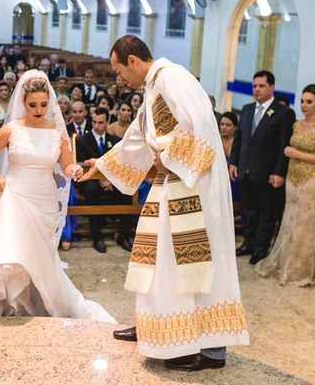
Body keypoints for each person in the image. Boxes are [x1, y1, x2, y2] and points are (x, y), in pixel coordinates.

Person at [80, 35, 249, 371]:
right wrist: (99, 164)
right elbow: (139, 139)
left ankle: (211, 350)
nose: (119, 79)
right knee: (159, 260)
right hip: (174, 179)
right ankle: (157, 328)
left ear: (132, 61)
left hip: (194, 185)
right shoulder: (154, 86)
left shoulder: (173, 78)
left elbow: (200, 125)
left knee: (194, 267)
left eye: (118, 71)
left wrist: (168, 158)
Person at [0, 70, 116, 322]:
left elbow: (66, 164)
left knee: (38, 255)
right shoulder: (12, 129)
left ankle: (34, 300)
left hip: (43, 199)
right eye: (33, 104)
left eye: (44, 104)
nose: (38, 109)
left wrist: (73, 169)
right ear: (23, 102)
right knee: (10, 249)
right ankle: (5, 301)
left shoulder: (56, 131)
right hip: (16, 194)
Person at [229, 71, 295, 264]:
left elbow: (284, 145)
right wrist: (234, 162)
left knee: (267, 213)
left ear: (271, 87)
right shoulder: (247, 109)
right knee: (248, 211)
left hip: (268, 173)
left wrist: (279, 172)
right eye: (255, 86)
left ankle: (260, 248)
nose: (257, 89)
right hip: (245, 170)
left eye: (261, 86)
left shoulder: (283, 113)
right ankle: (248, 243)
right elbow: (239, 139)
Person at [256, 84, 315, 286]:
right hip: (292, 178)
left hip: (311, 180)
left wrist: (297, 154)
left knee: (305, 224)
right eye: (302, 101)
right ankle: (283, 262)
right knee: (289, 219)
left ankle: (300, 269)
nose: (304, 105)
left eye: (309, 102)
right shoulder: (296, 125)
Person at [76, 107, 130, 253]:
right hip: (91, 180)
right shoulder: (82, 140)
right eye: (94, 122)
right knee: (91, 190)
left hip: (111, 180)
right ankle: (96, 236)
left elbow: (119, 164)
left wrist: (110, 179)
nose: (96, 125)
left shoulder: (115, 141)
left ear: (107, 122)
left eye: (100, 122)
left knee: (127, 189)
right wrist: (100, 178)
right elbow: (81, 164)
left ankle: (124, 234)